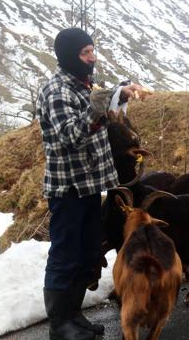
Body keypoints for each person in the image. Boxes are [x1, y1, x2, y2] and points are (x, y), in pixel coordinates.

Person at [36, 27, 149, 340]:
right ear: (71, 56)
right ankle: (60, 325)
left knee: (86, 252)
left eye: (92, 51)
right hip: (68, 188)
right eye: (86, 53)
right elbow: (72, 134)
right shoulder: (57, 91)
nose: (92, 57)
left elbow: (98, 110)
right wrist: (99, 102)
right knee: (65, 254)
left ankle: (74, 316)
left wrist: (120, 93)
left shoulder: (79, 85)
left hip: (88, 186)